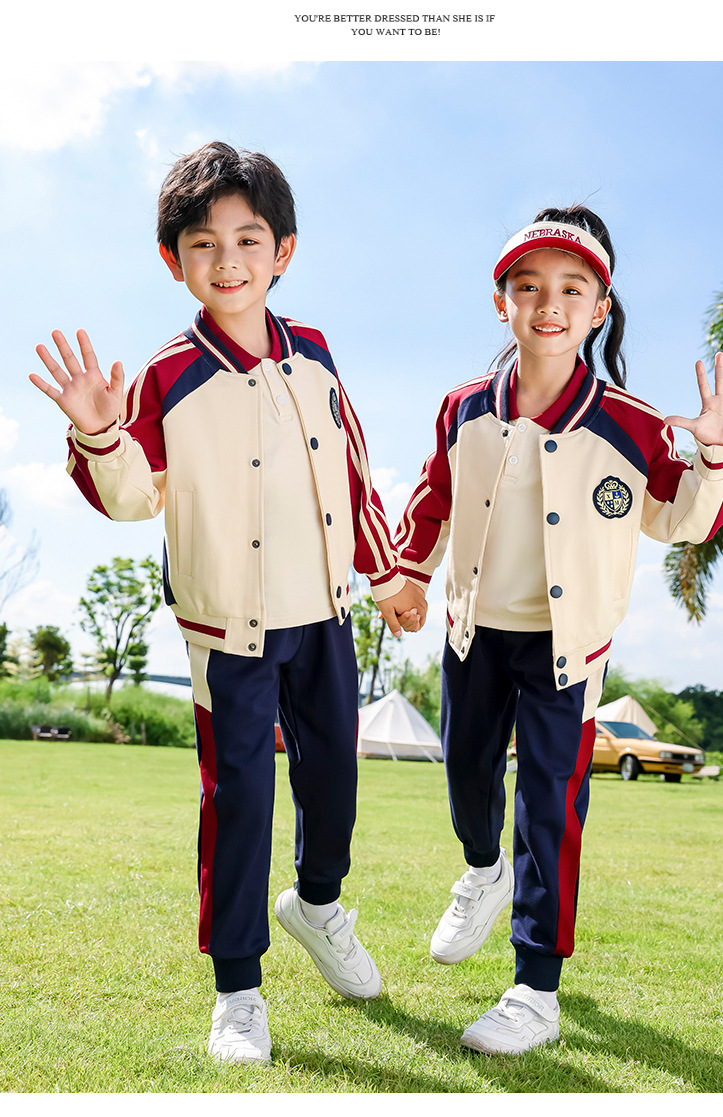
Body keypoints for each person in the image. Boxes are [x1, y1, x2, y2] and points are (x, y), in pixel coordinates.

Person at [30, 141, 426, 1065]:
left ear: (283, 250)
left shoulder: (315, 354)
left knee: (333, 792)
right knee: (241, 797)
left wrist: (387, 574)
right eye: (203, 243)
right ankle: (238, 991)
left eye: (249, 239)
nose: (229, 260)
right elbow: (132, 496)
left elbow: (353, 475)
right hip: (228, 632)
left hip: (324, 617)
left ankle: (317, 905)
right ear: (173, 261)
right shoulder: (166, 376)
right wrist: (99, 430)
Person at [394, 205, 723, 1054]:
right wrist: (408, 573)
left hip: (568, 646)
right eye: (528, 287)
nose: (547, 303)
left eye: (570, 289)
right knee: (466, 773)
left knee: (548, 805)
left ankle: (535, 989)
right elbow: (432, 498)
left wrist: (715, 454)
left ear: (599, 308)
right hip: (474, 629)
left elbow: (686, 520)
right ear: (502, 303)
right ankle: (482, 870)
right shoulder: (461, 408)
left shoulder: (632, 423)